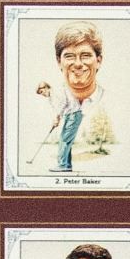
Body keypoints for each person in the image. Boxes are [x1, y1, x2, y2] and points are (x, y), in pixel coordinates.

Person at [33, 22, 112, 172]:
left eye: (85, 55)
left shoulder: (55, 93)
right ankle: (67, 165)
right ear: (59, 61)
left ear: (98, 60)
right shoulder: (55, 93)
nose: (78, 64)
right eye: (69, 56)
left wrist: (57, 118)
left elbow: (62, 105)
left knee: (64, 140)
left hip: (73, 115)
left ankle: (63, 165)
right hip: (72, 115)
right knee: (66, 140)